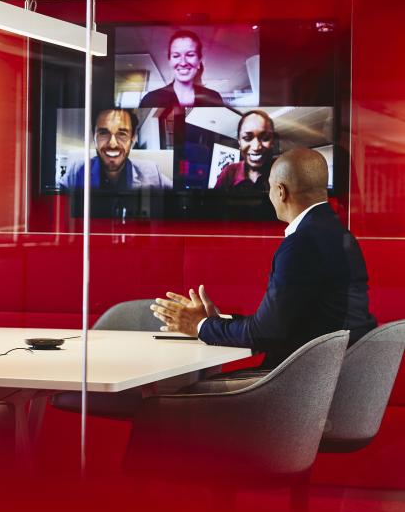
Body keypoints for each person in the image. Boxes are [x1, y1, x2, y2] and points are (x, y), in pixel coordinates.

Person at [152, 148, 376, 369]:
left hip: (305, 383)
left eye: (269, 188)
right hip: (340, 373)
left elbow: (266, 334)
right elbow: (283, 322)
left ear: (281, 191)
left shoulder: (301, 244)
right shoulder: (339, 234)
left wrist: (201, 326)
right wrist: (218, 322)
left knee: (178, 399)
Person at [60, 107, 172, 191]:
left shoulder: (152, 173)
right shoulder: (76, 172)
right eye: (104, 133)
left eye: (122, 134)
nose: (112, 144)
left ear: (132, 139)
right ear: (93, 137)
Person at [139, 30, 226, 110]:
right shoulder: (151, 99)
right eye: (176, 56)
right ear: (170, 61)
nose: (183, 63)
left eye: (190, 55)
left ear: (199, 61)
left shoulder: (214, 98)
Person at [213, 110, 277, 190]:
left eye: (265, 138)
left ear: (273, 141)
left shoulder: (281, 171)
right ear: (239, 142)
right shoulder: (229, 172)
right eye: (247, 138)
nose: (256, 147)